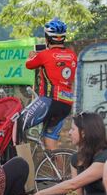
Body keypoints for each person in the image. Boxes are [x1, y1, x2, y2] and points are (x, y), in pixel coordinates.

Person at [35, 112, 107, 195]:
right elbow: (77, 193)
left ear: (83, 133)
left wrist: (40, 193)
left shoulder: (104, 157)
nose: (69, 133)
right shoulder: (75, 159)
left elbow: (73, 184)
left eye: (73, 129)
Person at [18, 19, 78, 151]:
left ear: (47, 38)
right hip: (65, 104)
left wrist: (31, 56)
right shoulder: (72, 55)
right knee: (51, 144)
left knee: (18, 124)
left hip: (48, 101)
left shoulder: (44, 55)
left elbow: (29, 65)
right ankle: (59, 172)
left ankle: (22, 164)